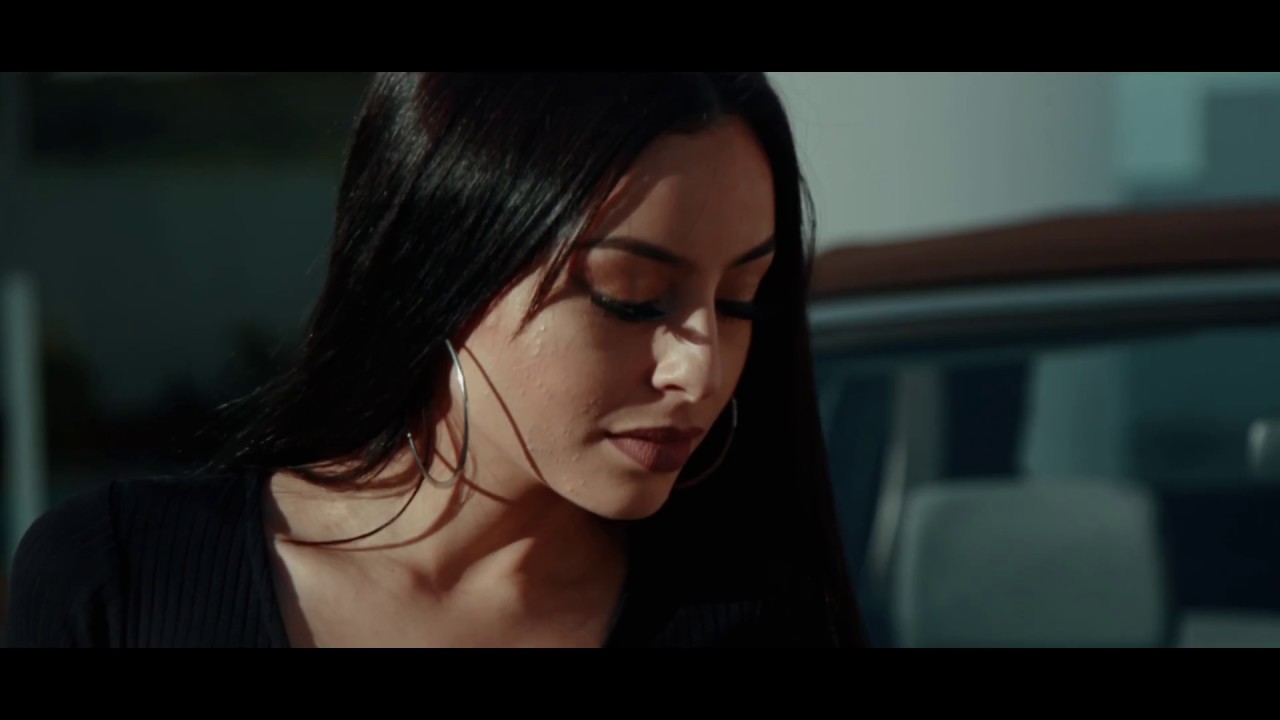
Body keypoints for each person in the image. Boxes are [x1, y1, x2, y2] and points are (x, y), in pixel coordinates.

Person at [4, 72, 867, 647]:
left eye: (740, 300)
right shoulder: (121, 582)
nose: (699, 371)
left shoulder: (762, 625)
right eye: (629, 294)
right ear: (446, 268)